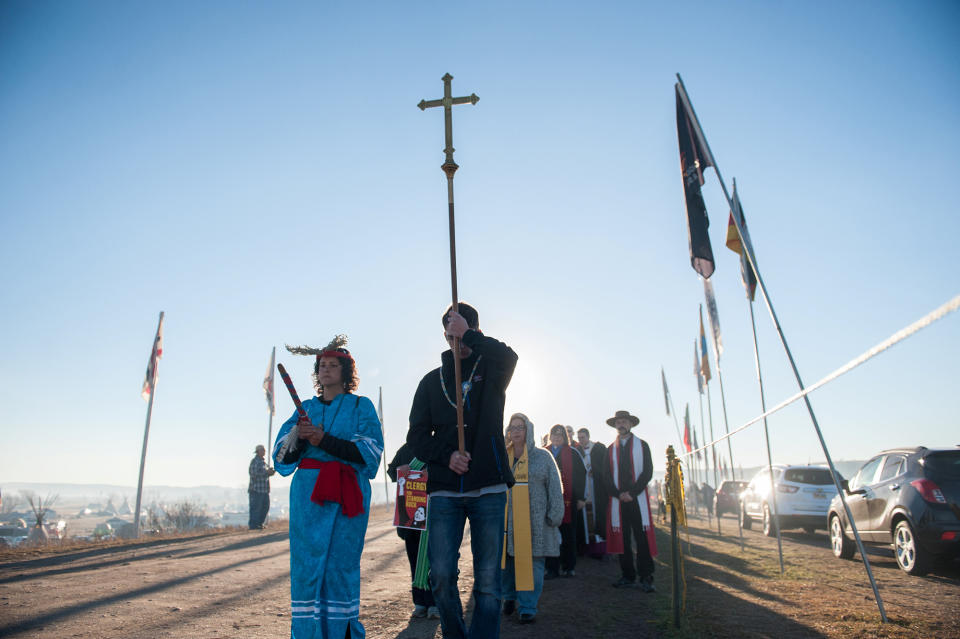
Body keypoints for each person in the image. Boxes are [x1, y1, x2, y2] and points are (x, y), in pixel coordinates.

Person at [407, 302, 518, 639]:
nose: (456, 340)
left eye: (463, 331)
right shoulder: (430, 382)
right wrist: (446, 456)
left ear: (475, 330)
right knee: (439, 575)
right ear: (444, 336)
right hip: (444, 491)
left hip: (488, 488)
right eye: (450, 333)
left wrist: (467, 333)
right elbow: (415, 436)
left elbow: (510, 355)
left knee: (487, 579)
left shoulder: (494, 370)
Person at [272, 336, 384, 639]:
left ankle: (342, 632)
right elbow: (282, 457)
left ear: (346, 372)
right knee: (307, 565)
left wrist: (324, 441)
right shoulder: (304, 409)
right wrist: (300, 435)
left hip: (348, 495)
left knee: (341, 562)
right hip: (308, 498)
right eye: (322, 365)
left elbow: (370, 453)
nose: (326, 370)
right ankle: (307, 633)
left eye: (333, 365)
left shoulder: (362, 406)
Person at [501, 413, 564, 624]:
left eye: (521, 426)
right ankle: (509, 597)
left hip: (536, 521)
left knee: (534, 563)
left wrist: (555, 514)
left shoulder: (543, 457)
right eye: (513, 426)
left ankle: (528, 607)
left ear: (529, 430)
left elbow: (555, 487)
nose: (516, 430)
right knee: (508, 562)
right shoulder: (501, 457)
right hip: (507, 521)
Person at [601, 410, 657, 592]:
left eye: (624, 421)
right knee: (623, 539)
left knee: (642, 539)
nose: (621, 424)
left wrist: (632, 492)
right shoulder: (610, 450)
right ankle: (627, 575)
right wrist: (618, 494)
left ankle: (646, 576)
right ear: (615, 425)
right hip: (619, 501)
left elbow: (647, 471)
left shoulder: (642, 446)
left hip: (637, 498)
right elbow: (606, 475)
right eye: (618, 422)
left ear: (630, 424)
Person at [387, 442, 439, 620]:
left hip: (434, 515)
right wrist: (400, 470)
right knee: (414, 562)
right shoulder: (405, 449)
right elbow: (392, 472)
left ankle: (434, 603)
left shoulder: (438, 446)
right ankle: (419, 603)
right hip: (411, 518)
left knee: (435, 562)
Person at [544, 424, 585, 579]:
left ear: (564, 438)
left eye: (560, 436)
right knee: (550, 535)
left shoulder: (573, 453)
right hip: (547, 501)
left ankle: (569, 567)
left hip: (569, 501)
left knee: (569, 535)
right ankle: (551, 568)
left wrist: (581, 497)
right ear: (550, 436)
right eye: (554, 435)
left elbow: (582, 475)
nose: (556, 438)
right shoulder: (543, 452)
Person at [576, 428, 607, 556]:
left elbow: (605, 466)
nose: (581, 440)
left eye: (583, 437)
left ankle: (600, 547)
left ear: (588, 437)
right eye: (579, 438)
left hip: (596, 488)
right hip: (585, 488)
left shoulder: (598, 448)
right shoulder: (577, 451)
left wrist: (596, 471)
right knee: (586, 516)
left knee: (597, 515)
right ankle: (587, 546)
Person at [248, 444, 276, 529]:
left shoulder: (263, 462)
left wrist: (270, 472)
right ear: (258, 451)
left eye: (264, 450)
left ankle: (259, 524)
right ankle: (253, 525)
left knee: (265, 507)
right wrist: (266, 473)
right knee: (256, 508)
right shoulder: (255, 461)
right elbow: (253, 474)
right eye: (262, 450)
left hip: (264, 490)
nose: (264, 452)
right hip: (256, 490)